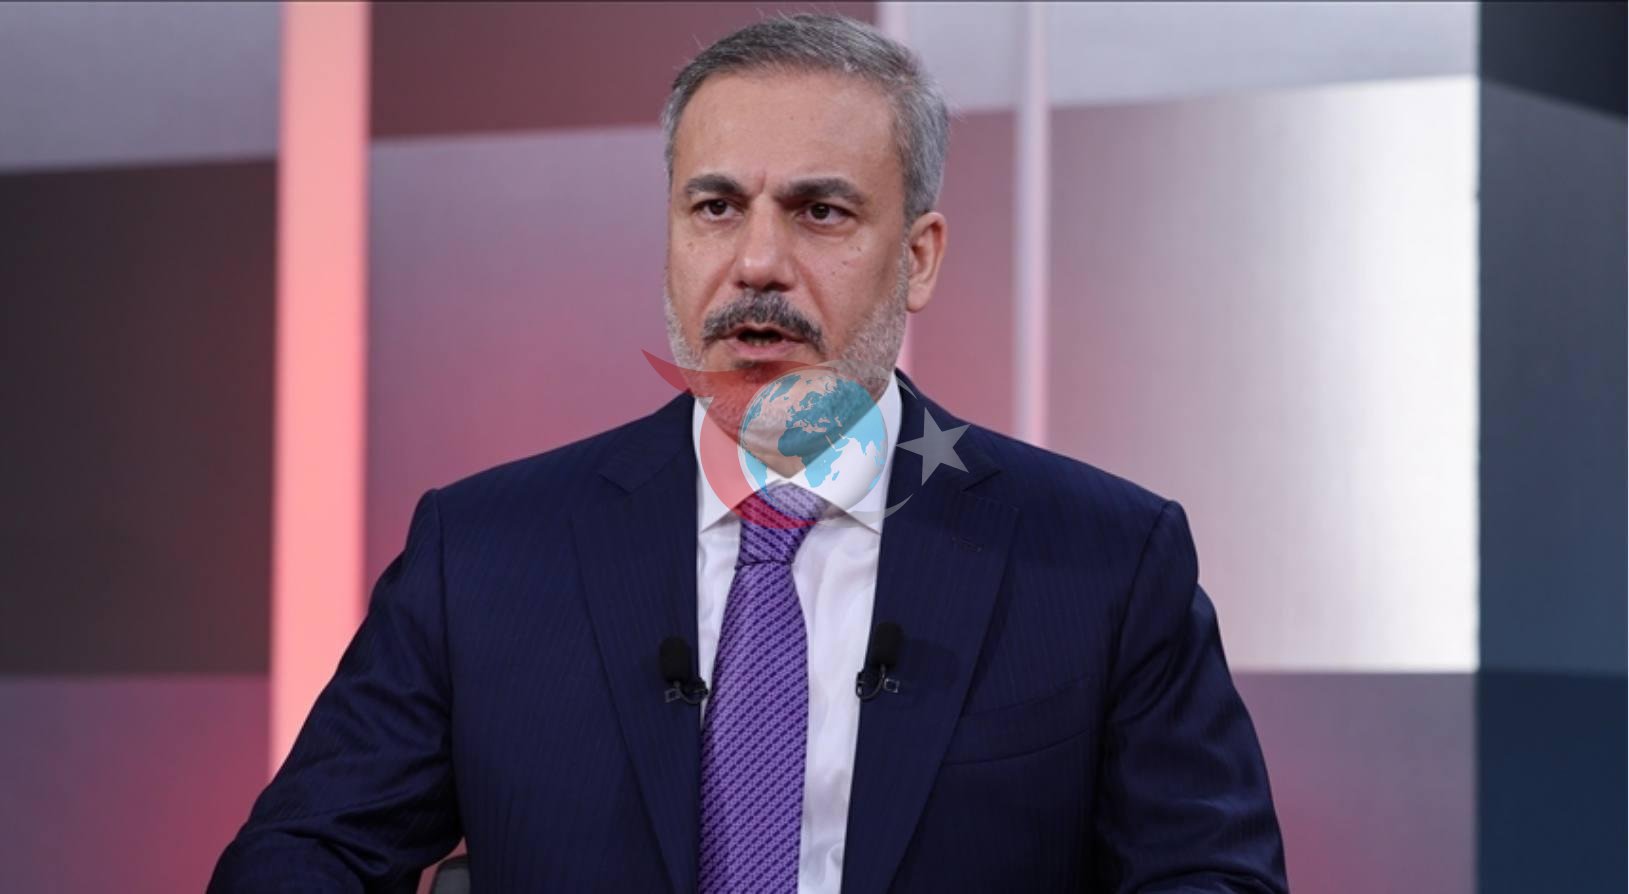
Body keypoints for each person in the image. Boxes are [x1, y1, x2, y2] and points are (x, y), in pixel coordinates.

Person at [210, 13, 1286, 894]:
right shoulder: (483, 553)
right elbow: (306, 855)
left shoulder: (1105, 560)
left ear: (917, 258)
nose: (757, 263)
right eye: (716, 207)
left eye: (820, 211)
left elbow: (1210, 878)